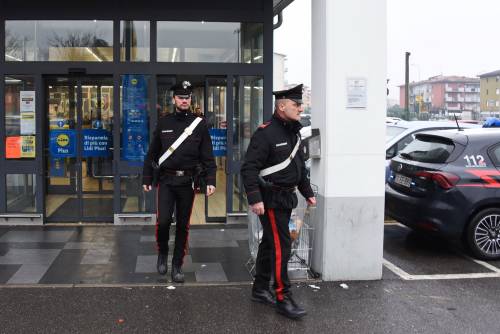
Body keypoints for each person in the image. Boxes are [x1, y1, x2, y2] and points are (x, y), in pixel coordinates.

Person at [241, 84, 316, 320]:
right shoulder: (265, 133)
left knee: (269, 245)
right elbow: (249, 168)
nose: (301, 108)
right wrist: (255, 198)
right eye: (296, 105)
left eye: (301, 104)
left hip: (287, 197)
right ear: (282, 106)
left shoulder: (294, 132)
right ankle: (283, 297)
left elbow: (299, 167)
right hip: (270, 200)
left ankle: (261, 289)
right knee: (283, 248)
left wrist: (307, 191)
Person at [142, 81, 216, 283]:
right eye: (181, 97)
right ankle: (162, 253)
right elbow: (152, 153)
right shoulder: (164, 123)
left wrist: (211, 179)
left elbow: (207, 155)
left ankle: (177, 265)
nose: (184, 100)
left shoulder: (199, 124)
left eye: (187, 97)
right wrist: (147, 177)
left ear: (190, 99)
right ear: (174, 99)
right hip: (166, 180)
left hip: (187, 182)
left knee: (183, 225)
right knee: (164, 220)